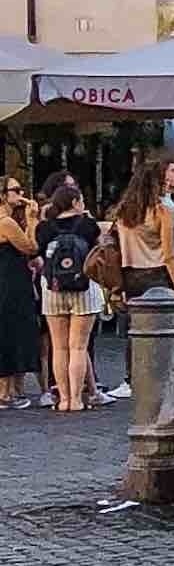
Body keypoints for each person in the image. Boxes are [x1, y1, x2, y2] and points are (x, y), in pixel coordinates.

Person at [36, 177, 100, 414]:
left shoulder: (44, 227)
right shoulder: (87, 225)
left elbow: (38, 251)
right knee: (78, 347)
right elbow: (97, 248)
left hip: (52, 288)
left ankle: (62, 399)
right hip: (83, 287)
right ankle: (76, 399)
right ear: (75, 201)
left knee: (59, 347)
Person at [112, 160, 174, 303]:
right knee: (166, 323)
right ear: (161, 180)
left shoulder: (124, 211)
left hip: (130, 276)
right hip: (158, 274)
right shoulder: (166, 210)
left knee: (137, 323)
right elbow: (169, 255)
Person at [0, 174, 41, 407]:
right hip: (11, 285)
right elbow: (30, 248)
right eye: (16, 190)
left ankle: (11, 391)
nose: (21, 194)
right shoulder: (6, 222)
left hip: (8, 282)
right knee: (12, 333)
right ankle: (6, 393)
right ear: (3, 195)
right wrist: (32, 219)